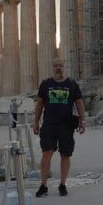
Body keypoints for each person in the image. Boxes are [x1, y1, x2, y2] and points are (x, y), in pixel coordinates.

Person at [32, 57, 85, 197]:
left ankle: (63, 184)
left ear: (64, 66)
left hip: (66, 125)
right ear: (52, 67)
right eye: (55, 65)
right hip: (49, 124)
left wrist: (82, 121)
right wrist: (36, 122)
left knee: (65, 155)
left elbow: (79, 103)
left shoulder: (72, 84)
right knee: (46, 154)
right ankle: (43, 185)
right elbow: (40, 104)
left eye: (60, 65)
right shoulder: (46, 84)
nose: (58, 68)